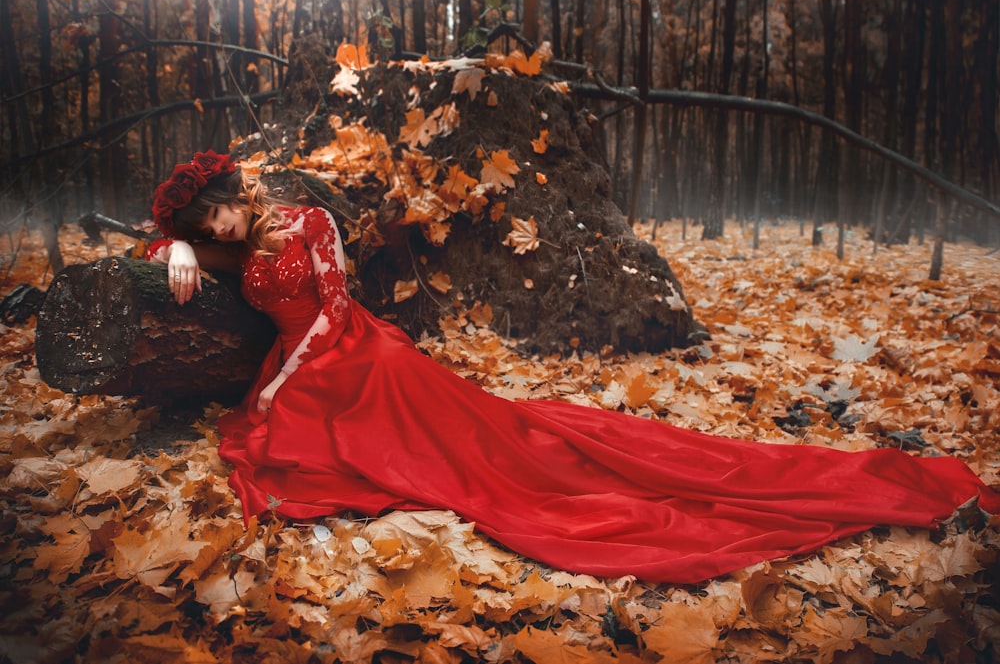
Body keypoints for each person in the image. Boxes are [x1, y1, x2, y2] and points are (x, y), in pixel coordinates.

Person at [146, 150, 999, 584]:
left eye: (220, 207)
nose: (220, 224)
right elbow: (164, 257)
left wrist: (287, 381)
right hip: (302, 365)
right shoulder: (223, 251)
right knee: (299, 447)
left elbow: (333, 310)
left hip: (354, 355)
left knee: (496, 462)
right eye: (205, 219)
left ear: (242, 188)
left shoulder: (308, 221)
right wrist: (171, 244)